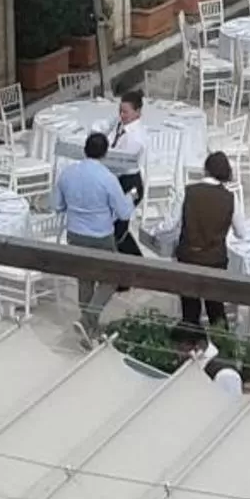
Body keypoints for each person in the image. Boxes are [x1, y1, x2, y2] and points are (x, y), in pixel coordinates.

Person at [56, 131, 134, 344]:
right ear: (105, 153)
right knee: (112, 277)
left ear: (85, 150)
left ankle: (89, 330)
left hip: (75, 234)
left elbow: (58, 206)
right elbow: (124, 213)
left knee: (85, 278)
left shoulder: (67, 173)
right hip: (100, 235)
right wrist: (130, 198)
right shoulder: (107, 178)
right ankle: (89, 318)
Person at [173, 150, 238, 328]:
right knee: (216, 308)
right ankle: (223, 348)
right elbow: (241, 232)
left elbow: (171, 223)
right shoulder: (230, 198)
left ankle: (192, 348)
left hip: (188, 256)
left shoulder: (187, 192)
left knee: (190, 309)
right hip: (215, 259)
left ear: (206, 169)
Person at [107, 88, 148, 258]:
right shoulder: (120, 126)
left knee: (120, 228)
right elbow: (110, 142)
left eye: (125, 112)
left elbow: (120, 163)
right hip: (119, 181)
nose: (121, 115)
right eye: (120, 111)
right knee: (118, 227)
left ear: (137, 112)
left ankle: (135, 265)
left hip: (131, 184)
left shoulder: (136, 137)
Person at [172, 323, 245, 400]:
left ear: (200, 345)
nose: (178, 354)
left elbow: (231, 406)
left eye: (181, 349)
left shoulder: (225, 374)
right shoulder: (194, 368)